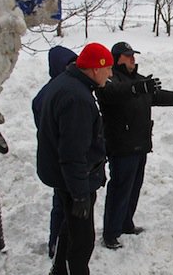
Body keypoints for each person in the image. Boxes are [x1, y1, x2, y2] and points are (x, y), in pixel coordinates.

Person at [96, 41, 173, 249]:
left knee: (134, 188)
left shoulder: (140, 81)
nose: (133, 58)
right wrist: (137, 88)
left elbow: (156, 96)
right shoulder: (109, 79)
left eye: (134, 55)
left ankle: (126, 224)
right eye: (128, 55)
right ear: (117, 58)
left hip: (140, 144)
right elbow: (113, 93)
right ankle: (111, 233)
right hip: (121, 146)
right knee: (119, 190)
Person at [36, 42, 113, 275]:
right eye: (108, 68)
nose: (110, 75)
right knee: (82, 241)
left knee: (69, 230)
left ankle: (58, 270)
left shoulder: (67, 83)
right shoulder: (77, 98)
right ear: (95, 69)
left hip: (68, 178)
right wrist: (80, 194)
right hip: (74, 181)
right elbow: (73, 153)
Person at [31, 45, 77, 259]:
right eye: (69, 64)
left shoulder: (69, 88)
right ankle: (56, 244)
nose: (74, 67)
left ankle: (63, 242)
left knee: (67, 204)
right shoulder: (49, 94)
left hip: (65, 157)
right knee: (62, 204)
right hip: (59, 159)